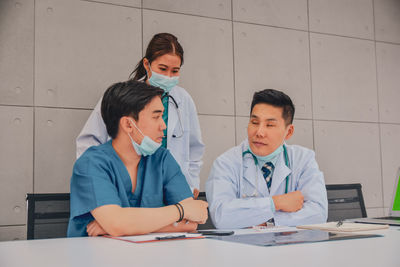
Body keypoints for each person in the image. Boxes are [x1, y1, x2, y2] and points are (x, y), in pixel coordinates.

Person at [68, 80, 208, 237]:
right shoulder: (91, 164)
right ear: (128, 124)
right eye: (156, 117)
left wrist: (124, 225)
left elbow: (190, 223)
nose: (163, 125)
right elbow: (117, 224)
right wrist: (180, 211)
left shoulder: (162, 159)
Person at [76, 33, 204, 195]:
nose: (168, 77)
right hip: (125, 183)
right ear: (147, 64)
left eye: (175, 71)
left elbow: (194, 149)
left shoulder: (183, 100)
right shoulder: (123, 96)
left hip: (172, 185)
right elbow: (89, 141)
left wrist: (191, 182)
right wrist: (98, 182)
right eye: (162, 69)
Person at [206, 89, 327, 229]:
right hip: (242, 248)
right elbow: (222, 217)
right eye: (254, 122)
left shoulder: (303, 159)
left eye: (269, 125)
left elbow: (318, 214)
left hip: (292, 247)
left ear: (289, 132)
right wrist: (275, 203)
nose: (259, 132)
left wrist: (269, 222)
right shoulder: (226, 163)